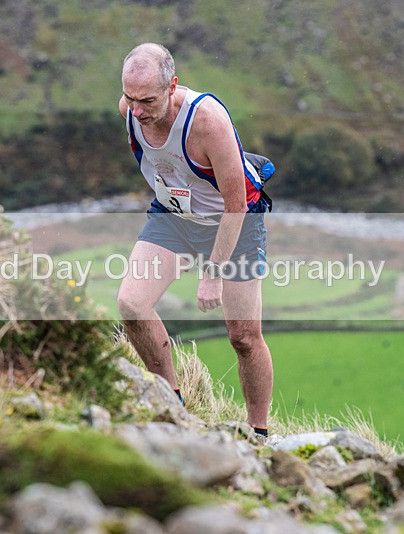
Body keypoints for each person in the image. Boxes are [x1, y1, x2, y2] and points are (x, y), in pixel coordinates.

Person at [116, 43, 273, 437]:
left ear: (172, 86)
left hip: (233, 221)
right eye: (130, 98)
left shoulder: (208, 122)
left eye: (147, 100)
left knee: (243, 337)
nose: (137, 110)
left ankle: (259, 432)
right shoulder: (131, 110)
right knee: (131, 303)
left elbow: (236, 205)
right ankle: (171, 402)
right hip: (175, 216)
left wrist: (212, 273)